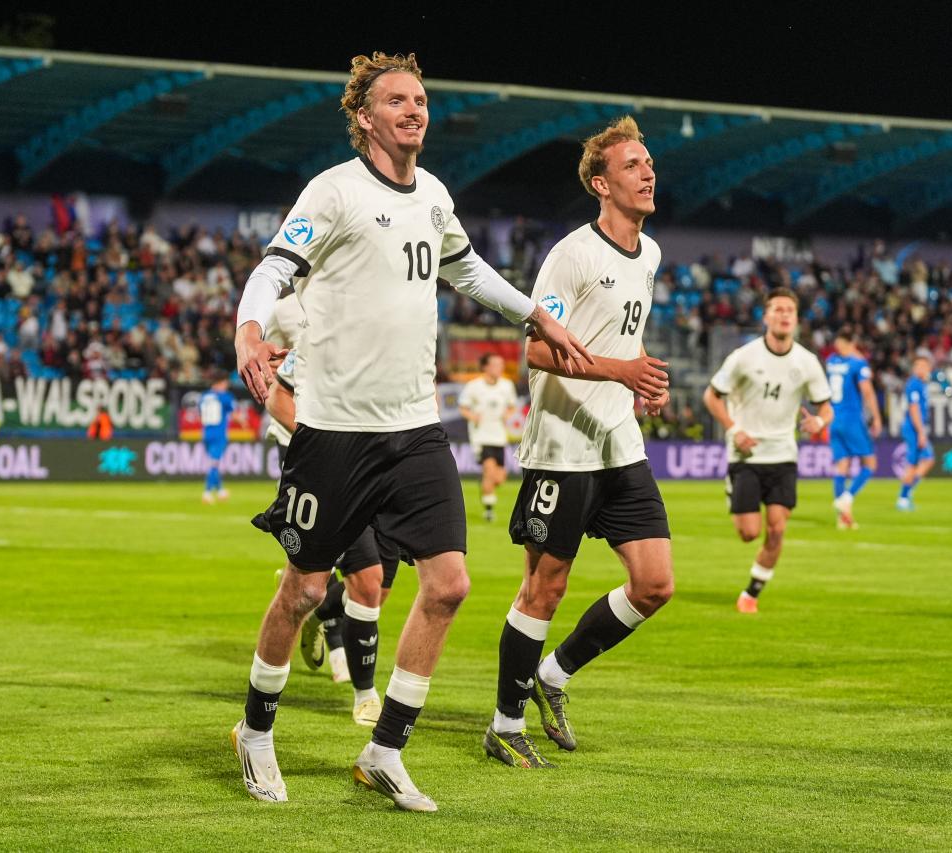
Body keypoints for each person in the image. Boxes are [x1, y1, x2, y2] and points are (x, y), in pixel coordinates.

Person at [230, 51, 591, 811]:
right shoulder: (333, 191)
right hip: (333, 430)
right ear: (364, 116)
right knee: (302, 590)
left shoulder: (433, 194)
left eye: (420, 99)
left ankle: (385, 749)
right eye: (397, 100)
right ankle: (255, 732)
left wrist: (535, 314)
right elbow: (272, 268)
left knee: (450, 583)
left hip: (416, 428)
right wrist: (248, 329)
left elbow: (468, 272)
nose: (414, 109)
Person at [484, 116, 674, 769]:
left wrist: (643, 376)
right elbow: (537, 347)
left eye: (648, 162)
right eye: (632, 165)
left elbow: (625, 338)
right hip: (563, 444)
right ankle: (505, 722)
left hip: (619, 439)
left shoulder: (648, 254)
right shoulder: (573, 255)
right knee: (545, 586)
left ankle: (556, 673)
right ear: (601, 183)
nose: (648, 172)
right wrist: (619, 369)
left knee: (654, 583)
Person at [262, 343, 399, 726]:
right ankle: (366, 695)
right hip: (324, 471)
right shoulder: (314, 322)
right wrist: (330, 447)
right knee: (368, 582)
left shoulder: (401, 321)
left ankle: (320, 610)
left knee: (378, 589)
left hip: (383, 466)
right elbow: (277, 396)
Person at [703, 289, 833, 614]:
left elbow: (825, 407)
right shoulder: (743, 357)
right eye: (778, 309)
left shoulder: (806, 362)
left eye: (790, 310)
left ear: (796, 318)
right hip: (746, 456)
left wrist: (819, 421)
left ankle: (752, 593)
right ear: (766, 316)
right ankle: (732, 487)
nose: (784, 315)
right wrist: (734, 430)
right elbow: (711, 397)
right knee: (749, 533)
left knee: (777, 529)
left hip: (784, 455)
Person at [825, 327, 883, 529]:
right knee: (870, 464)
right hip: (851, 419)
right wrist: (876, 417)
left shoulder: (831, 361)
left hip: (833, 419)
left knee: (842, 465)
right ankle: (847, 497)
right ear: (853, 344)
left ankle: (843, 519)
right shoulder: (858, 363)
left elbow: (845, 357)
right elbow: (867, 391)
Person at [459, 353, 519, 522]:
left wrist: (507, 415)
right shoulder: (473, 386)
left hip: (499, 437)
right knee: (490, 469)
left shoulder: (507, 386)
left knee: (499, 477)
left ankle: (486, 486)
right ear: (485, 367)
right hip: (481, 437)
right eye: (495, 365)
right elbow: (463, 408)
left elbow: (512, 407)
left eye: (501, 365)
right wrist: (473, 417)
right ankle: (489, 511)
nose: (499, 368)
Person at [897, 356, 934, 510]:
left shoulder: (921, 384)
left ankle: (907, 491)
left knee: (927, 460)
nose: (921, 369)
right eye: (918, 365)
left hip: (915, 428)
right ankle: (904, 497)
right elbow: (913, 409)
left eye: (923, 366)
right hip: (913, 428)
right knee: (913, 464)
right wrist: (920, 432)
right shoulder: (914, 384)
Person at [199, 375, 235, 504]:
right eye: (224, 384)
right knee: (213, 464)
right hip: (219, 434)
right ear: (218, 383)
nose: (226, 387)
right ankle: (207, 492)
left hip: (206, 433)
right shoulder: (225, 397)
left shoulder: (203, 397)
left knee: (214, 463)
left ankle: (220, 490)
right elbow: (233, 412)